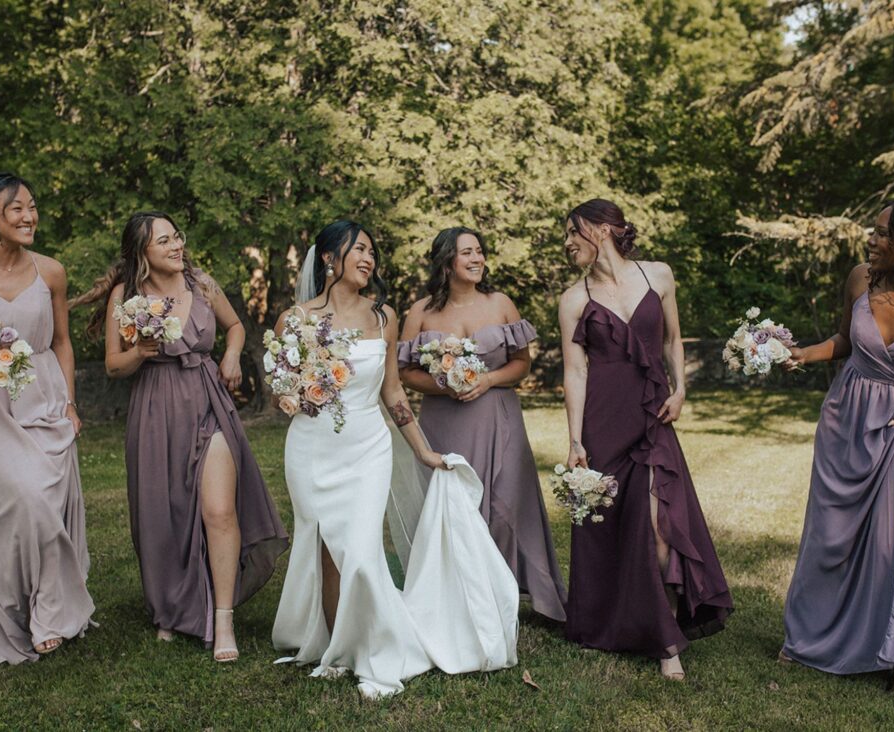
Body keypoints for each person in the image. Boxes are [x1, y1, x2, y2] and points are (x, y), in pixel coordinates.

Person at [272, 220, 519, 699]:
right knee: (326, 552)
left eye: (372, 252)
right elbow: (283, 388)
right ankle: (337, 651)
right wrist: (296, 390)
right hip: (310, 448)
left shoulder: (383, 317)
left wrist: (423, 449)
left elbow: (391, 390)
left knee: (362, 552)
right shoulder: (294, 319)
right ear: (328, 258)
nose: (369, 259)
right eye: (359, 250)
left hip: (366, 445)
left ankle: (377, 653)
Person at [72, 211, 288, 661]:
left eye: (177, 237)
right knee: (163, 513)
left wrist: (230, 357)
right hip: (155, 405)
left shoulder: (202, 283)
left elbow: (235, 327)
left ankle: (222, 617)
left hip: (208, 399)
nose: (176, 246)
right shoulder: (126, 295)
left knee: (219, 509)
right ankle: (171, 608)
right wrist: (142, 351)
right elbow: (114, 365)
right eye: (164, 241)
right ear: (142, 253)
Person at [782, 196, 894, 692]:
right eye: (874, 230)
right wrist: (804, 354)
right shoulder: (860, 280)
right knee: (832, 536)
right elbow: (843, 342)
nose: (872, 239)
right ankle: (815, 637)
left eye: (884, 233)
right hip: (848, 419)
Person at [557, 198, 732, 680]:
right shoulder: (574, 299)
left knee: (659, 529)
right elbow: (575, 371)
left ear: (599, 229)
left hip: (652, 415)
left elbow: (674, 339)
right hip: (603, 422)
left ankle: (666, 634)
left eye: (572, 232)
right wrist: (575, 440)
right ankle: (641, 626)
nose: (567, 243)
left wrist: (681, 390)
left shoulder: (659, 275)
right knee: (611, 528)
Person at [0, 172, 94, 668]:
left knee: (45, 504)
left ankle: (49, 611)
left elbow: (63, 342)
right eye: (16, 209)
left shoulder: (51, 271)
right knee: (17, 502)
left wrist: (70, 403)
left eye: (32, 207)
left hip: (45, 398)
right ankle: (15, 603)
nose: (29, 217)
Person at [399, 226, 567, 621]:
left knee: (507, 502)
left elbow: (522, 364)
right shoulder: (420, 312)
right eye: (467, 253)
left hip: (498, 414)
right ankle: (457, 597)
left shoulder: (500, 303)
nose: (477, 259)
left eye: (479, 252)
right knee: (455, 506)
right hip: (443, 419)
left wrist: (486, 379)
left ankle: (505, 594)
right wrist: (447, 384)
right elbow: (403, 373)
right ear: (446, 261)